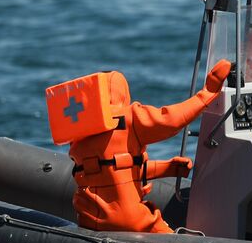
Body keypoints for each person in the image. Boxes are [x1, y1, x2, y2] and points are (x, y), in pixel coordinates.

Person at [64, 61, 232, 233]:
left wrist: (166, 168)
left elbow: (113, 169)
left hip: (89, 219)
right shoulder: (131, 118)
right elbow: (170, 120)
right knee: (176, 240)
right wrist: (207, 93)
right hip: (132, 219)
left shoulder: (79, 131)